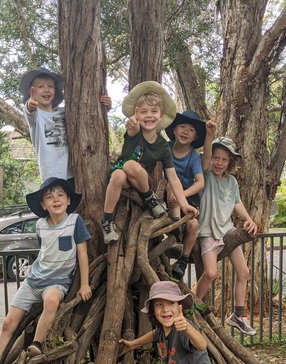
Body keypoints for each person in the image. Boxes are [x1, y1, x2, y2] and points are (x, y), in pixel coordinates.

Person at [0, 178, 92, 364]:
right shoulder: (40, 225)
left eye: (60, 195)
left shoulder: (75, 221)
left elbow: (82, 254)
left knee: (52, 300)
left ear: (69, 200)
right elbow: (43, 250)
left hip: (58, 281)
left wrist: (84, 284)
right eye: (49, 196)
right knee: (8, 323)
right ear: (43, 205)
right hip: (33, 280)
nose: (56, 199)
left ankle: (36, 343)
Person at [101, 81, 198, 244]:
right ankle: (107, 221)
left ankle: (149, 196)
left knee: (132, 167)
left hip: (142, 181)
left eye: (154, 111)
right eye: (144, 112)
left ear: (161, 116)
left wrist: (184, 204)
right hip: (124, 175)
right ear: (137, 113)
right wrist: (132, 124)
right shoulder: (134, 131)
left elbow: (173, 178)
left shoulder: (162, 146)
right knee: (119, 173)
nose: (149, 115)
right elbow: (132, 129)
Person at [193, 123, 259, 336]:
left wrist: (249, 219)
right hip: (208, 232)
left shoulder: (231, 182)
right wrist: (210, 135)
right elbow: (204, 159)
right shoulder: (206, 176)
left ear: (230, 162)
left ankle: (238, 315)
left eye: (224, 159)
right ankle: (191, 304)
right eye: (216, 157)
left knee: (244, 272)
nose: (219, 162)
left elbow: (237, 203)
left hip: (227, 231)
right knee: (210, 273)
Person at [21, 66, 110, 182]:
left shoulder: (65, 112)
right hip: (51, 174)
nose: (46, 90)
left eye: (50, 86)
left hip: (74, 173)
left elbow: (88, 118)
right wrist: (30, 105)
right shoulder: (36, 116)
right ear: (31, 91)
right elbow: (28, 111)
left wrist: (106, 107)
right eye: (40, 86)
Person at [164, 110, 208, 279]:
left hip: (189, 197)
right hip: (167, 195)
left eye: (191, 130)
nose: (185, 131)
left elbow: (200, 182)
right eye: (182, 126)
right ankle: (176, 225)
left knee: (193, 225)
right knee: (170, 183)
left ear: (195, 137)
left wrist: (181, 193)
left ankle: (183, 259)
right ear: (173, 130)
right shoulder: (166, 148)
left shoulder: (194, 157)